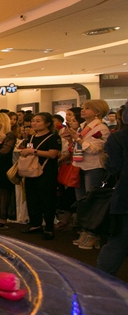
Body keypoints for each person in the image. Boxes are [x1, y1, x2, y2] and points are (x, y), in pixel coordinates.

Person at [71, 99, 111, 248]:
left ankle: (93, 234)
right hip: (79, 165)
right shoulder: (83, 127)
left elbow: (96, 149)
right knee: (82, 201)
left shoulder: (101, 128)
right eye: (83, 107)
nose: (83, 110)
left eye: (87, 108)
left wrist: (79, 140)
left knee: (92, 201)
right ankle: (85, 230)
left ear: (97, 112)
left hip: (93, 167)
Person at [19, 112, 62, 239]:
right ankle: (35, 224)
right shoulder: (31, 138)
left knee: (47, 200)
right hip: (30, 171)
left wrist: (34, 151)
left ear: (47, 123)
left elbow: (53, 154)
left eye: (38, 121)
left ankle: (49, 227)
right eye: (33, 121)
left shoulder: (53, 137)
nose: (34, 123)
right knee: (32, 199)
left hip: (47, 172)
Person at [97, 102, 128, 275]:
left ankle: (101, 285)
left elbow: (114, 167)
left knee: (118, 242)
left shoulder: (119, 137)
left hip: (125, 195)